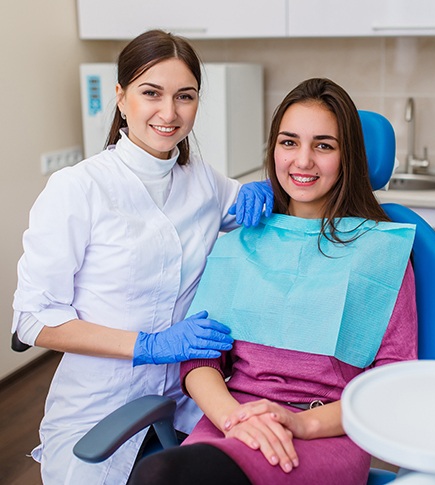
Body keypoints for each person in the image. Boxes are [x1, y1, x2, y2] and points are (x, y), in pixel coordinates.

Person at [11, 30, 273, 484]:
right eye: (151, 93)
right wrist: (149, 345)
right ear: (121, 97)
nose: (169, 113)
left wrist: (263, 189)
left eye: (184, 97)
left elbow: (247, 207)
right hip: (100, 405)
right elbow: (33, 322)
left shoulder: (201, 181)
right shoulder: (78, 189)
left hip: (187, 398)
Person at [128, 78, 418, 485]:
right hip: (236, 420)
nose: (302, 161)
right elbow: (200, 359)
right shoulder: (242, 240)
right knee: (163, 475)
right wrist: (234, 418)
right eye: (288, 142)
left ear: (346, 155)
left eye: (323, 145)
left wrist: (300, 425)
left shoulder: (380, 253)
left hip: (325, 429)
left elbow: (393, 382)